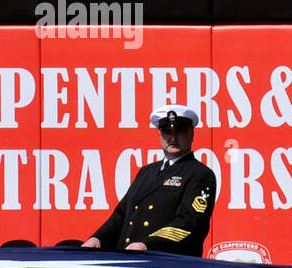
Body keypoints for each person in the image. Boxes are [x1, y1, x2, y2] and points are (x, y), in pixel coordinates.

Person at [82, 105, 216, 255]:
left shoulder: (200, 174)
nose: (173, 138)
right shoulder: (147, 172)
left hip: (168, 263)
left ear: (191, 135)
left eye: (179, 132)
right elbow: (121, 214)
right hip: (131, 259)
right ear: (159, 135)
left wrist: (147, 245)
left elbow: (188, 223)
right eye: (167, 132)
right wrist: (98, 238)